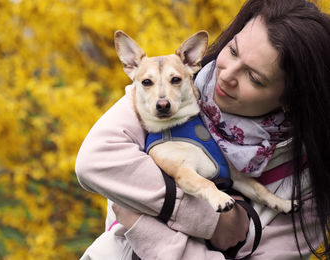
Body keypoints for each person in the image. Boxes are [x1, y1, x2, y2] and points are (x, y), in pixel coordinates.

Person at [75, 0, 330, 259]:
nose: (227, 74)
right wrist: (214, 222)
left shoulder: (306, 185)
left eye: (254, 77)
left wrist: (146, 226)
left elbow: (125, 199)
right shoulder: (159, 98)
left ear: (291, 98)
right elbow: (93, 163)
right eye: (232, 50)